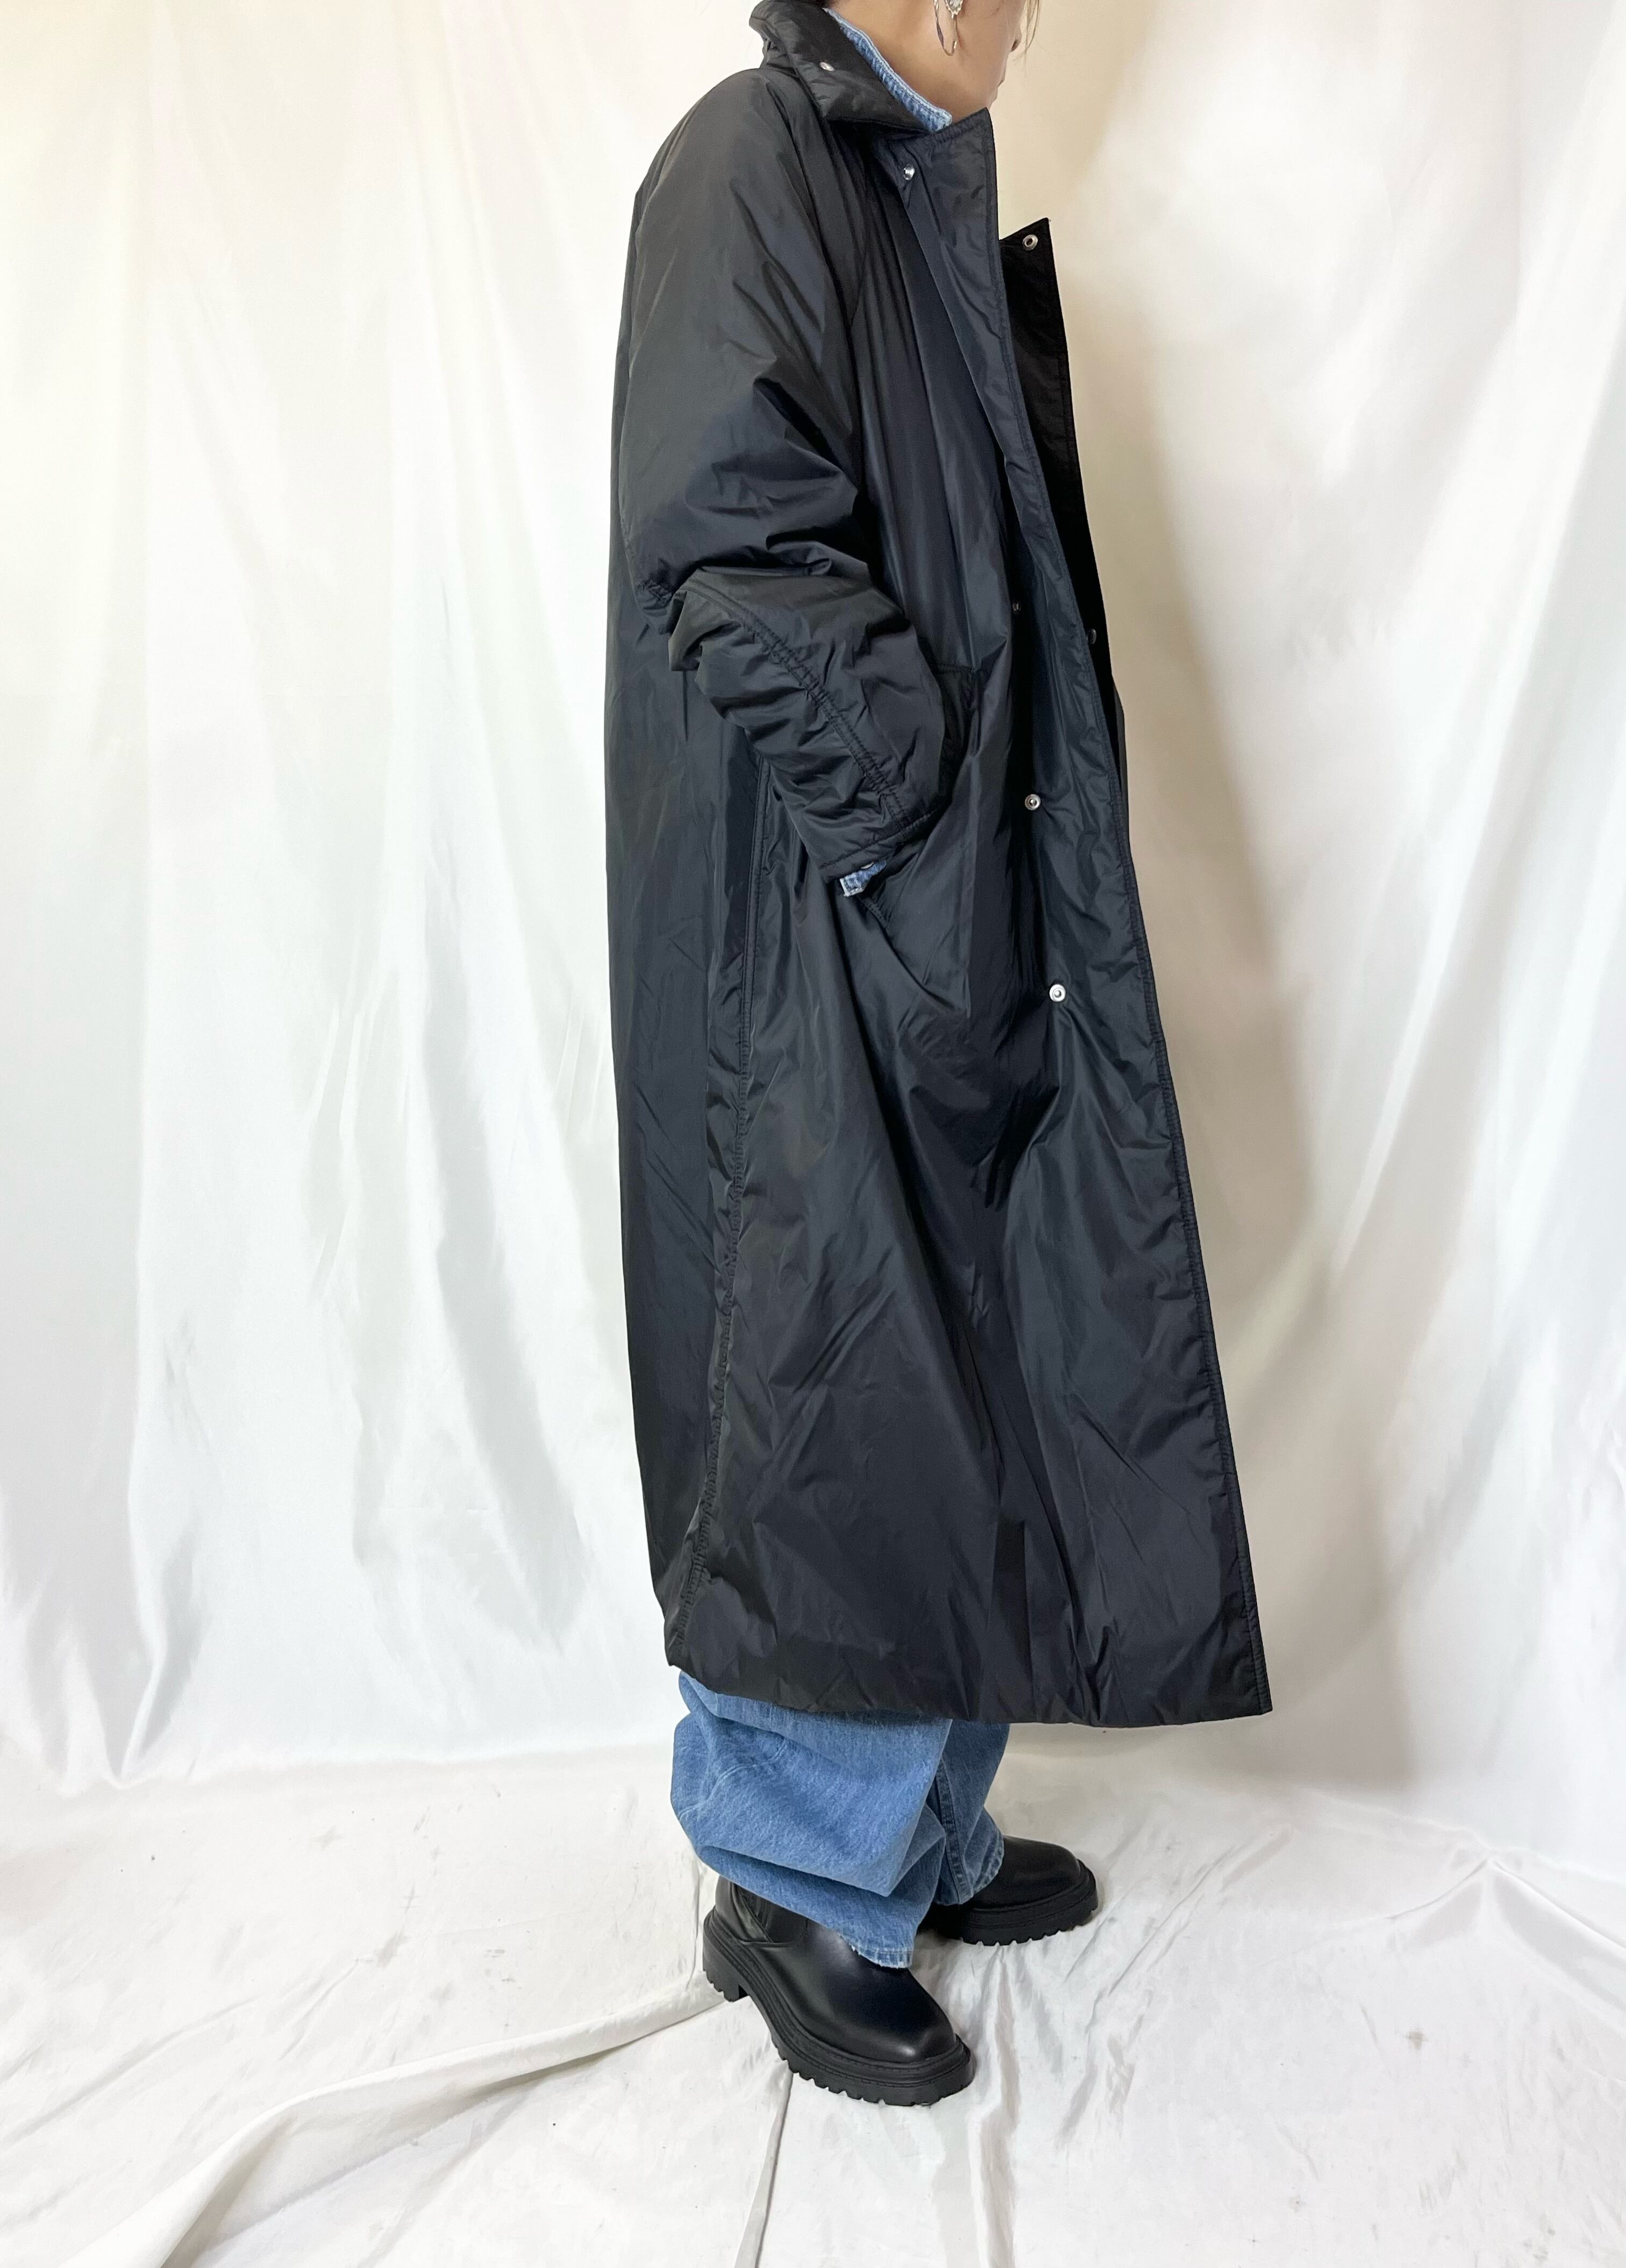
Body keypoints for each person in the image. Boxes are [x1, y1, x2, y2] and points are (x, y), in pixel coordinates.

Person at [603, 0, 1271, 2106]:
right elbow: (729, 534)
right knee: (834, 1380)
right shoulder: (755, 161)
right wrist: (914, 816)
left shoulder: (895, 191)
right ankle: (793, 1882)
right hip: (819, 922)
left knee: (963, 1368)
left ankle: (917, 1831)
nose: (1018, 8)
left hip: (926, 909)